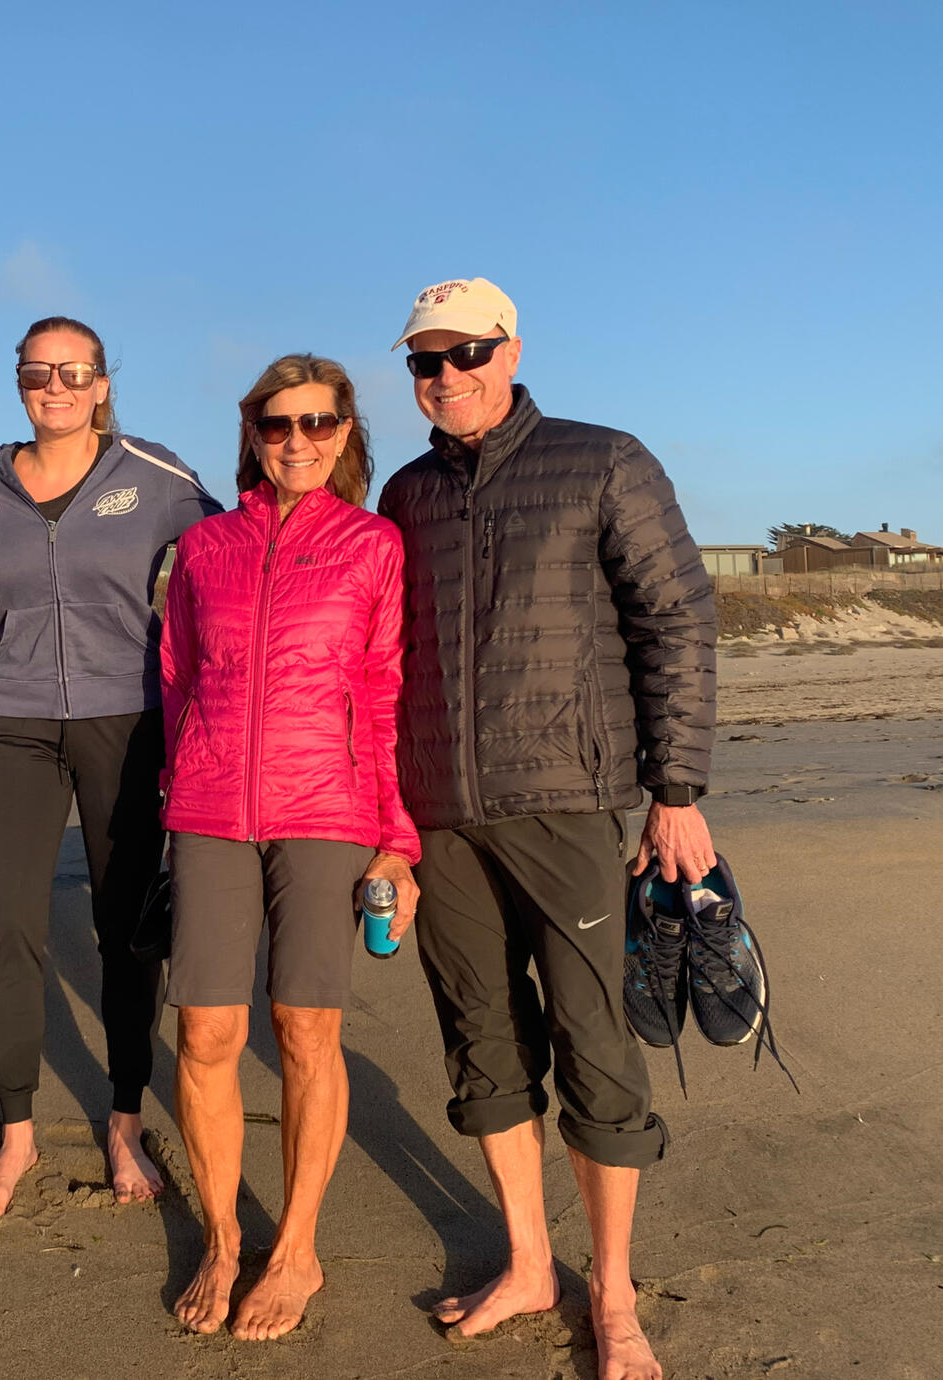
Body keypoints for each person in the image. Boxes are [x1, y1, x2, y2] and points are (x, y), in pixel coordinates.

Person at [377, 277, 716, 1380]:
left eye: (466, 353)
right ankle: (529, 1263)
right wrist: (386, 820)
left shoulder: (604, 458)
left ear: (511, 349)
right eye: (426, 361)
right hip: (437, 815)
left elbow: (677, 617)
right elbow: (381, 662)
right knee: (483, 1038)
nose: (447, 378)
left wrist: (678, 792)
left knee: (595, 1042)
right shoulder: (405, 491)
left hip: (567, 799)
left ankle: (612, 1294)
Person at [0, 316, 221, 1218]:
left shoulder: (153, 476)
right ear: (18, 382)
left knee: (124, 924)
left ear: (101, 384)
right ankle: (16, 1134)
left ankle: (123, 1118)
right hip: (14, 725)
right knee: (11, 923)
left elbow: (230, 556)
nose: (57, 385)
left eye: (74, 371)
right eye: (38, 371)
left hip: (125, 721)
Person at [159, 355, 420, 1340]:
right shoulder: (205, 547)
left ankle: (297, 1248)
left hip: (329, 811)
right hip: (212, 810)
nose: (298, 442)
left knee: (305, 1031)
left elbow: (386, 692)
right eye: (279, 427)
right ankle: (225, 1240)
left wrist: (395, 841)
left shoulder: (373, 546)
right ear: (254, 436)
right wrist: (176, 791)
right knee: (206, 1036)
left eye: (317, 424)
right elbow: (179, 678)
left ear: (346, 432)